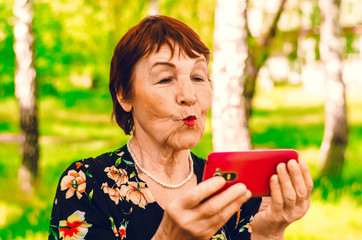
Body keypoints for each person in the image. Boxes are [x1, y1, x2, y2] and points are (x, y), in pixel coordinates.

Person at [49, 15, 313, 240]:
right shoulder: (86, 186)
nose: (189, 95)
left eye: (199, 77)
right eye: (165, 79)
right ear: (124, 95)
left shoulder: (236, 192)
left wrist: (267, 234)